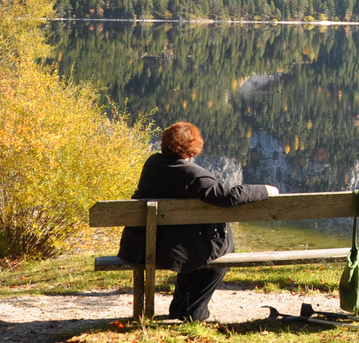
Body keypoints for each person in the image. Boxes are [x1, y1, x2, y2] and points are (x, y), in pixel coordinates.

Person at [118, 121, 279, 322]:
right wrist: (265, 190)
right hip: (171, 250)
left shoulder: (152, 165)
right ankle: (194, 311)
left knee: (196, 251)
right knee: (220, 253)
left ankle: (181, 308)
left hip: (143, 246)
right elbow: (227, 197)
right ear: (193, 149)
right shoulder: (191, 174)